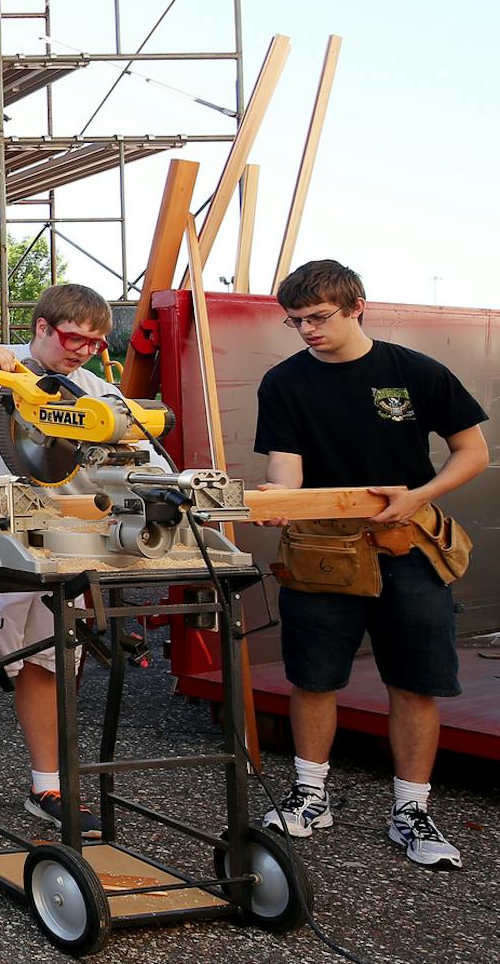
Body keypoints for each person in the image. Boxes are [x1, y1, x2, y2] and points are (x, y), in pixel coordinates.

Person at [254, 259, 487, 869]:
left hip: (406, 543)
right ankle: (310, 796)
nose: (306, 330)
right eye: (295, 321)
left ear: (358, 305)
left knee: (416, 680)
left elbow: (473, 451)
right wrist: (280, 503)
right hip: (320, 550)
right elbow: (287, 464)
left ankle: (411, 810)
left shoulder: (413, 371)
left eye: (318, 317)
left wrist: (421, 495)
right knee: (314, 675)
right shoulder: (283, 383)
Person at [0, 282, 158, 834]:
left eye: (95, 343)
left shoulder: (93, 389)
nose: (83, 350)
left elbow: (136, 451)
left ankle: (45, 784)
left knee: (52, 661)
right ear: (41, 327)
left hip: (65, 541)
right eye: (73, 338)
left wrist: (169, 490)